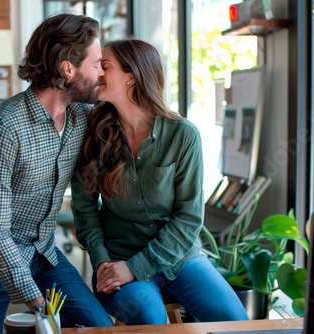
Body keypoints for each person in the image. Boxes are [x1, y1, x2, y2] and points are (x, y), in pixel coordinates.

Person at [0, 14, 114, 333]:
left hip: (42, 250)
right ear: (68, 68)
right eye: (96, 64)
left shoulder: (81, 117)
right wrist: (38, 304)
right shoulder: (2, 129)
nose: (102, 72)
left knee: (97, 326)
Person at [71, 39, 249, 325]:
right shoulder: (91, 135)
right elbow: (85, 210)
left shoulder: (183, 135)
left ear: (132, 77)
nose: (98, 73)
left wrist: (137, 267)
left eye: (105, 66)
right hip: (117, 257)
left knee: (235, 321)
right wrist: (103, 262)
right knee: (150, 317)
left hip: (178, 258)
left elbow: (188, 219)